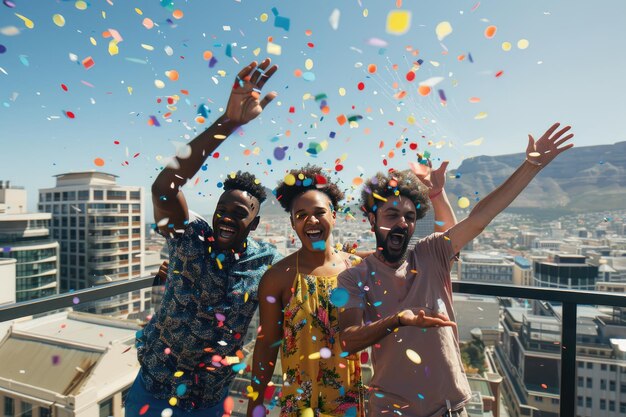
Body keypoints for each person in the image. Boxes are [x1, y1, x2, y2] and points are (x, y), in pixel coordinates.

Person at [337, 123, 574, 417]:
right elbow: (347, 338)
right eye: (392, 214)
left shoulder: (430, 254)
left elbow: (479, 218)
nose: (402, 223)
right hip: (391, 411)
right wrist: (398, 320)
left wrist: (530, 166)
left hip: (450, 408)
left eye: (410, 216)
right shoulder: (355, 276)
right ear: (372, 221)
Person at [125, 59, 282, 417]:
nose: (226, 217)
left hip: (210, 401)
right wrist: (228, 123)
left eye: (239, 213)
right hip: (154, 390)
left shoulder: (266, 262)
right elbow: (165, 188)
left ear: (255, 224)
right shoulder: (190, 238)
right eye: (222, 209)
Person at [246, 164, 457, 417]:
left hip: (348, 402)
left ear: (334, 216)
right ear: (292, 223)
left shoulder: (357, 266)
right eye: (300, 215)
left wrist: (437, 195)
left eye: (319, 212)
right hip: (300, 405)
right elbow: (267, 345)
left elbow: (440, 247)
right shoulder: (278, 277)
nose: (311, 220)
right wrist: (254, 406)